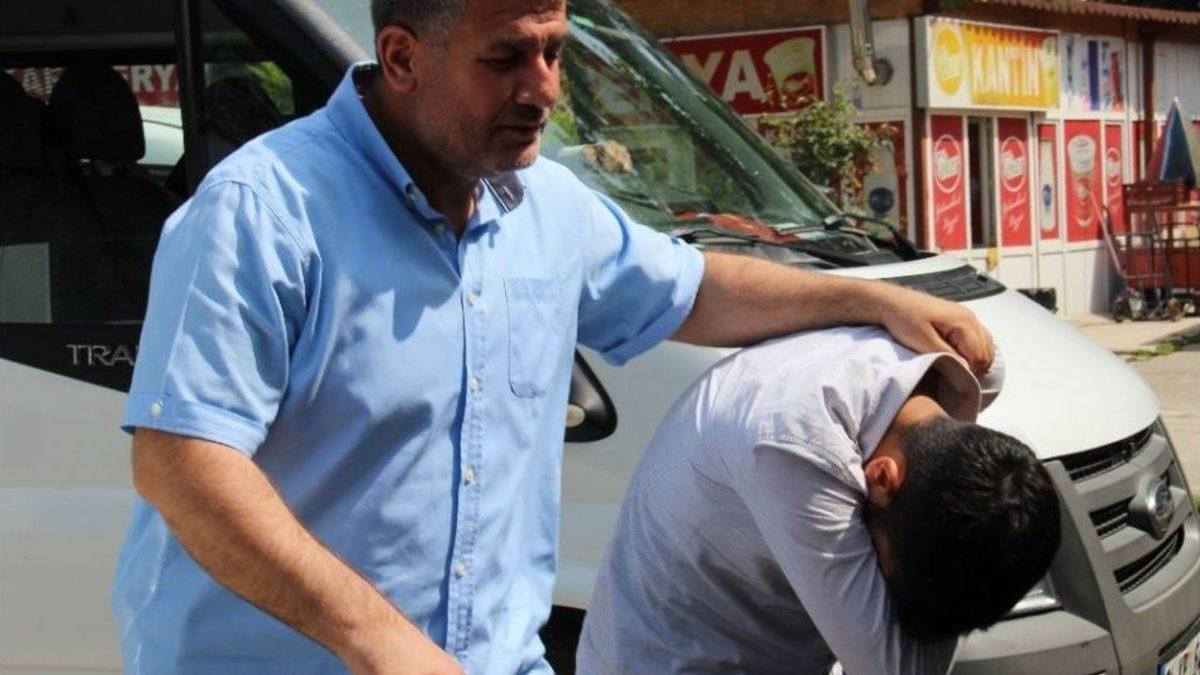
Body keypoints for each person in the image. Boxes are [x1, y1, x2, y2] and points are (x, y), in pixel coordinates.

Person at [113, 0, 996, 673]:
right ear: (402, 57)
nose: (543, 90)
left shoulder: (544, 208)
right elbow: (182, 462)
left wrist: (869, 301)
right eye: (507, 58)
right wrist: (379, 641)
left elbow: (695, 289)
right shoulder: (264, 211)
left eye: (555, 51)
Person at [576, 326, 1061, 675]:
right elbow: (895, 668)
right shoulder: (795, 445)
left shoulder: (953, 367)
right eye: (889, 578)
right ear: (882, 477)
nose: (883, 598)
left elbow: (989, 365)